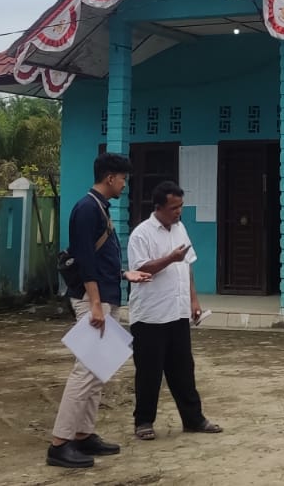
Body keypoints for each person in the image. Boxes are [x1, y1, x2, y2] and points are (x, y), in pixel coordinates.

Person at [47, 152, 153, 470]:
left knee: (98, 369)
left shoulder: (99, 207)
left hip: (104, 295)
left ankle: (83, 434)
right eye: (122, 179)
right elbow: (84, 260)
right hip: (93, 299)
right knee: (86, 370)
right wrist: (94, 303)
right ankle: (60, 443)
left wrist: (123, 274)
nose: (124, 185)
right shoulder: (86, 209)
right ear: (110, 177)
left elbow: (100, 257)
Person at [126, 181, 223, 441]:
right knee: (149, 372)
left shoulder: (180, 229)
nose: (178, 212)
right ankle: (143, 421)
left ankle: (193, 419)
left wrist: (194, 300)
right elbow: (140, 270)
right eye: (173, 208)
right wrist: (170, 258)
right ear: (158, 207)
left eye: (180, 206)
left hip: (178, 312)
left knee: (183, 369)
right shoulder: (141, 234)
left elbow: (186, 266)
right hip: (151, 315)